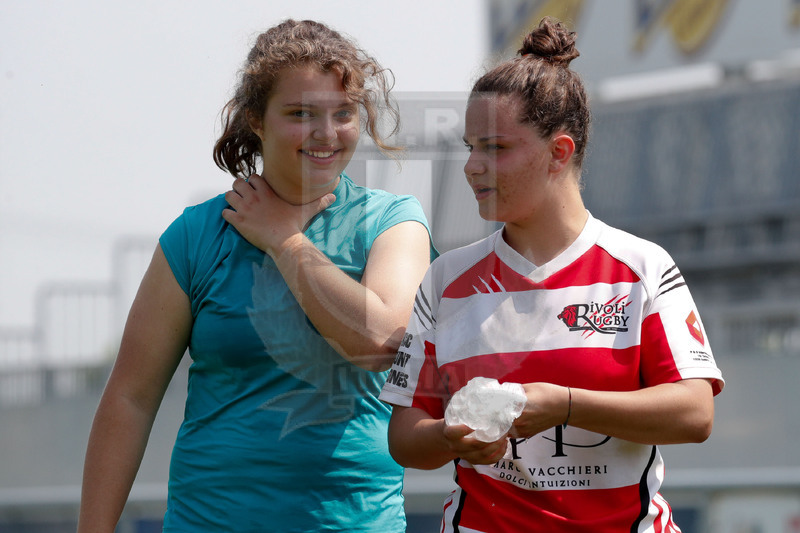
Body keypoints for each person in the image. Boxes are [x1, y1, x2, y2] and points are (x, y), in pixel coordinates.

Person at [78, 19, 435, 532]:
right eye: (300, 114)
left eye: (343, 113)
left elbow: (379, 340)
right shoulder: (193, 236)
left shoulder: (393, 221)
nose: (326, 133)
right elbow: (130, 399)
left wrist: (285, 240)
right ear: (256, 119)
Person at [380, 17, 724, 532]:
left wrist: (563, 405)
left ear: (558, 153)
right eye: (470, 146)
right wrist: (452, 436)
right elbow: (405, 439)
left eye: (495, 148)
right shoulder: (444, 280)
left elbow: (695, 415)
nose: (472, 165)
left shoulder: (642, 267)